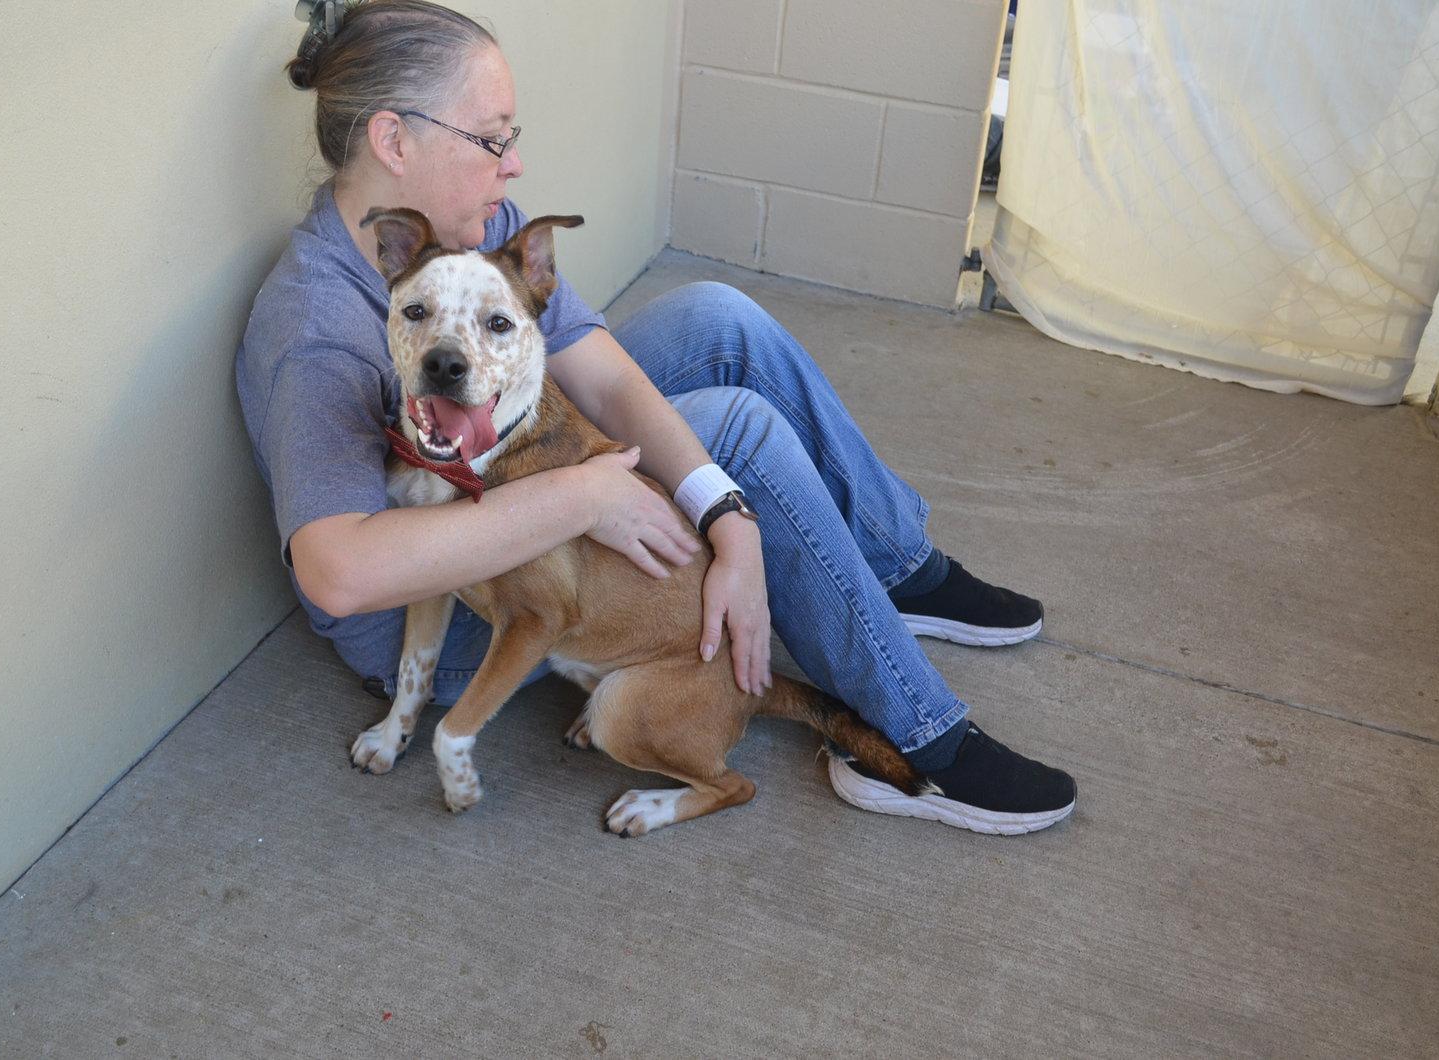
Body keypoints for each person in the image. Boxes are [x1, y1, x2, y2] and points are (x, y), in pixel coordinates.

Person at [235, 0, 1076, 834]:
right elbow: (338, 572)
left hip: (503, 483)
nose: (514, 165)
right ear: (394, 141)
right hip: (464, 615)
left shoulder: (470, 228)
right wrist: (588, 498)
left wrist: (730, 522)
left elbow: (601, 377)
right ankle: (920, 740)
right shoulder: (317, 329)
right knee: (735, 428)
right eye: (492, 138)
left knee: (716, 319)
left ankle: (892, 568)